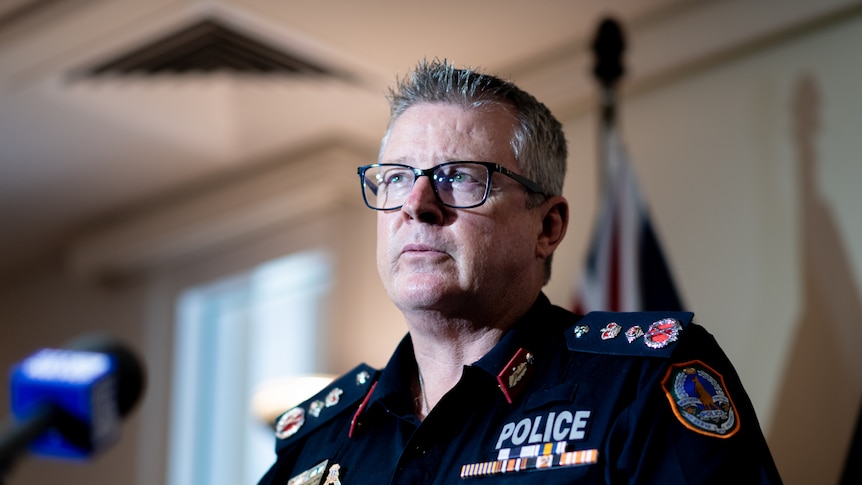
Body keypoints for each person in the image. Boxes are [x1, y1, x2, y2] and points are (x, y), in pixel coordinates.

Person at [258, 59, 782, 484]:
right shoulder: (316, 441)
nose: (416, 205)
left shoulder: (640, 384)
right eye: (395, 178)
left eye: (459, 177)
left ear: (547, 226)